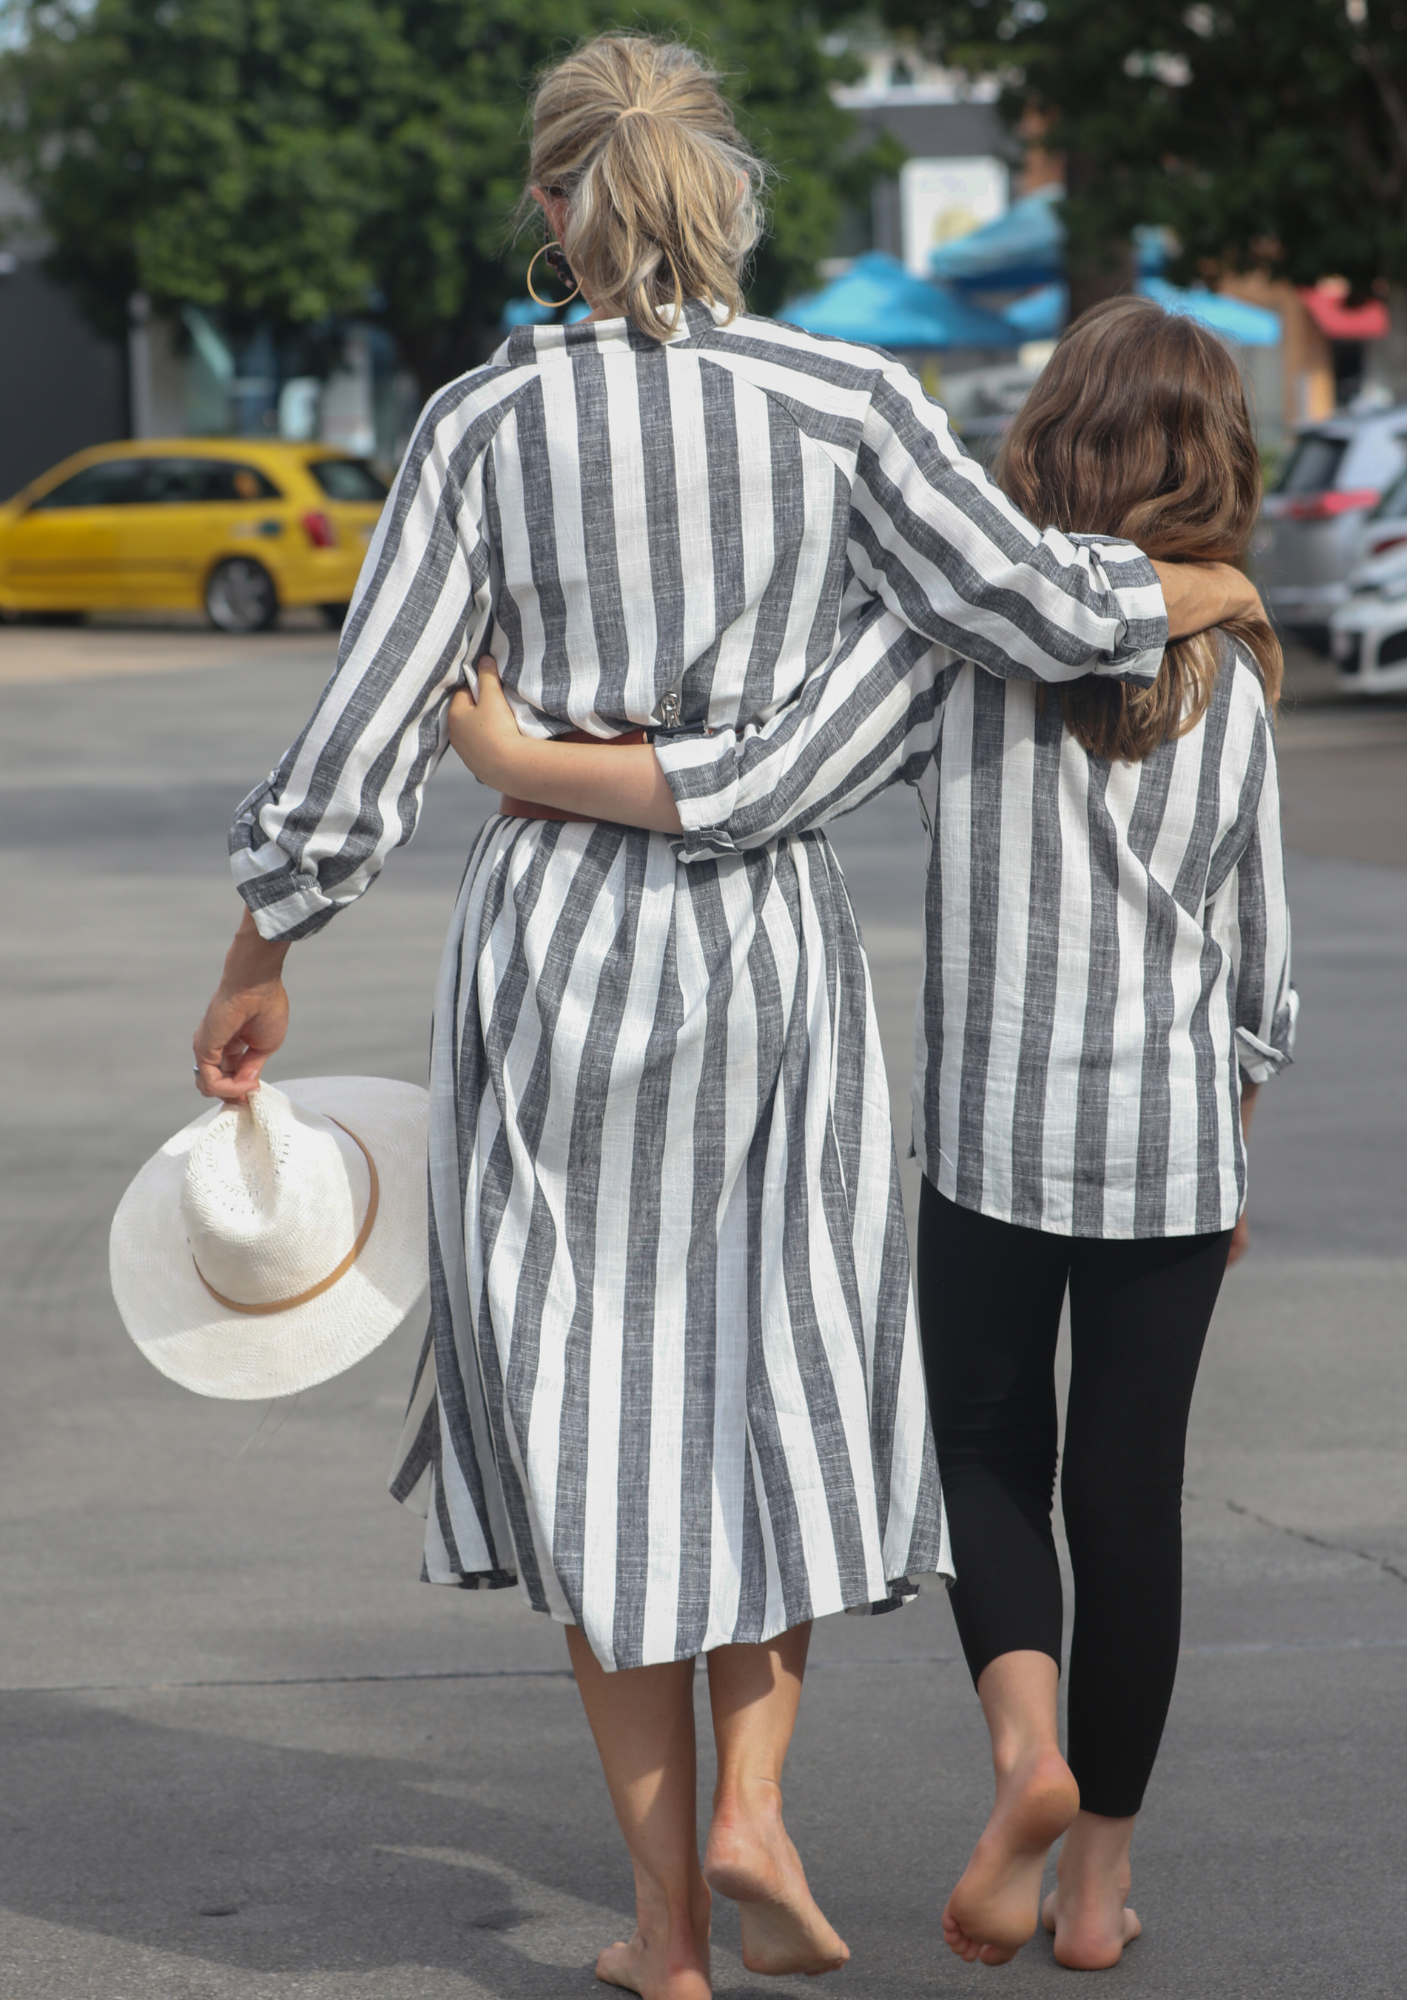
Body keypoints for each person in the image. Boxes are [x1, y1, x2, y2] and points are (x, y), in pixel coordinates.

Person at [192, 33, 1261, 1996]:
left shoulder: (479, 425)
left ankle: (670, 1925)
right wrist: (1179, 595)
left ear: (552, 207)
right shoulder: (843, 398)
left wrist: (265, 939)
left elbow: (368, 729)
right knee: (769, 1376)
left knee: (600, 1408)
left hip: (556, 948)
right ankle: (761, 1804)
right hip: (766, 942)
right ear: (734, 197)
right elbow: (1027, 602)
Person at [450, 295, 1293, 1974]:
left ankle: (1020, 1756)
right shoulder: (1243, 697)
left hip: (991, 1152)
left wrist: (521, 760)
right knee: (1135, 1501)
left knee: (983, 1455)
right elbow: (1259, 972)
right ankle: (1100, 1886)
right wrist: (1232, 1137)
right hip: (1180, 1159)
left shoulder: (958, 659)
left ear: (1049, 450)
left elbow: (755, 787)